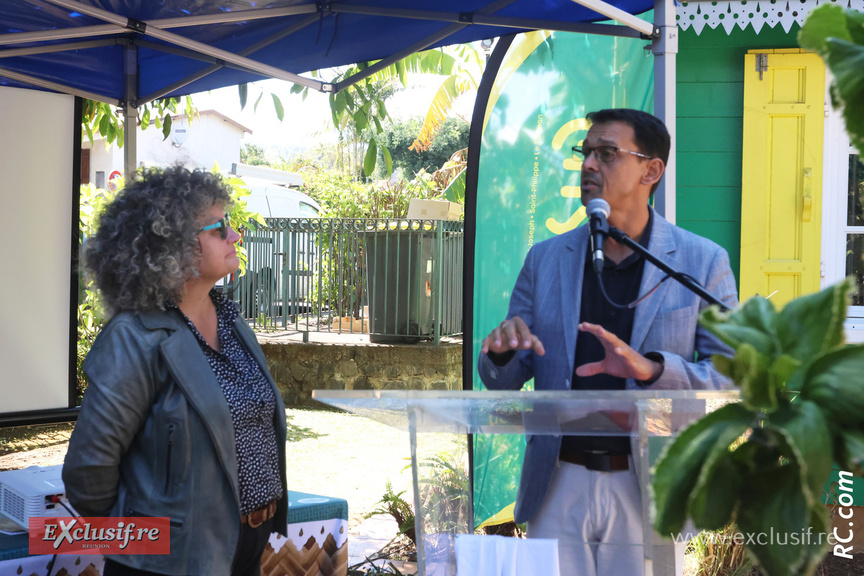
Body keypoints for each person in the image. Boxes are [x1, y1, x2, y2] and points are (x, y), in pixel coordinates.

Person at [477, 109, 738, 576]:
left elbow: (731, 376)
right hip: (556, 481)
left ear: (651, 171)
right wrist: (501, 351)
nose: (588, 164)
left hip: (651, 487)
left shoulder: (701, 261)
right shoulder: (545, 259)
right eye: (586, 152)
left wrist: (654, 371)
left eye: (607, 153)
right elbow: (505, 377)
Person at [63, 166, 288, 576]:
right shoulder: (135, 337)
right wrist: (148, 542)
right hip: (166, 562)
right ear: (173, 245)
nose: (235, 236)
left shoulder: (232, 321)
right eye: (219, 228)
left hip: (243, 546)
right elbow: (89, 469)